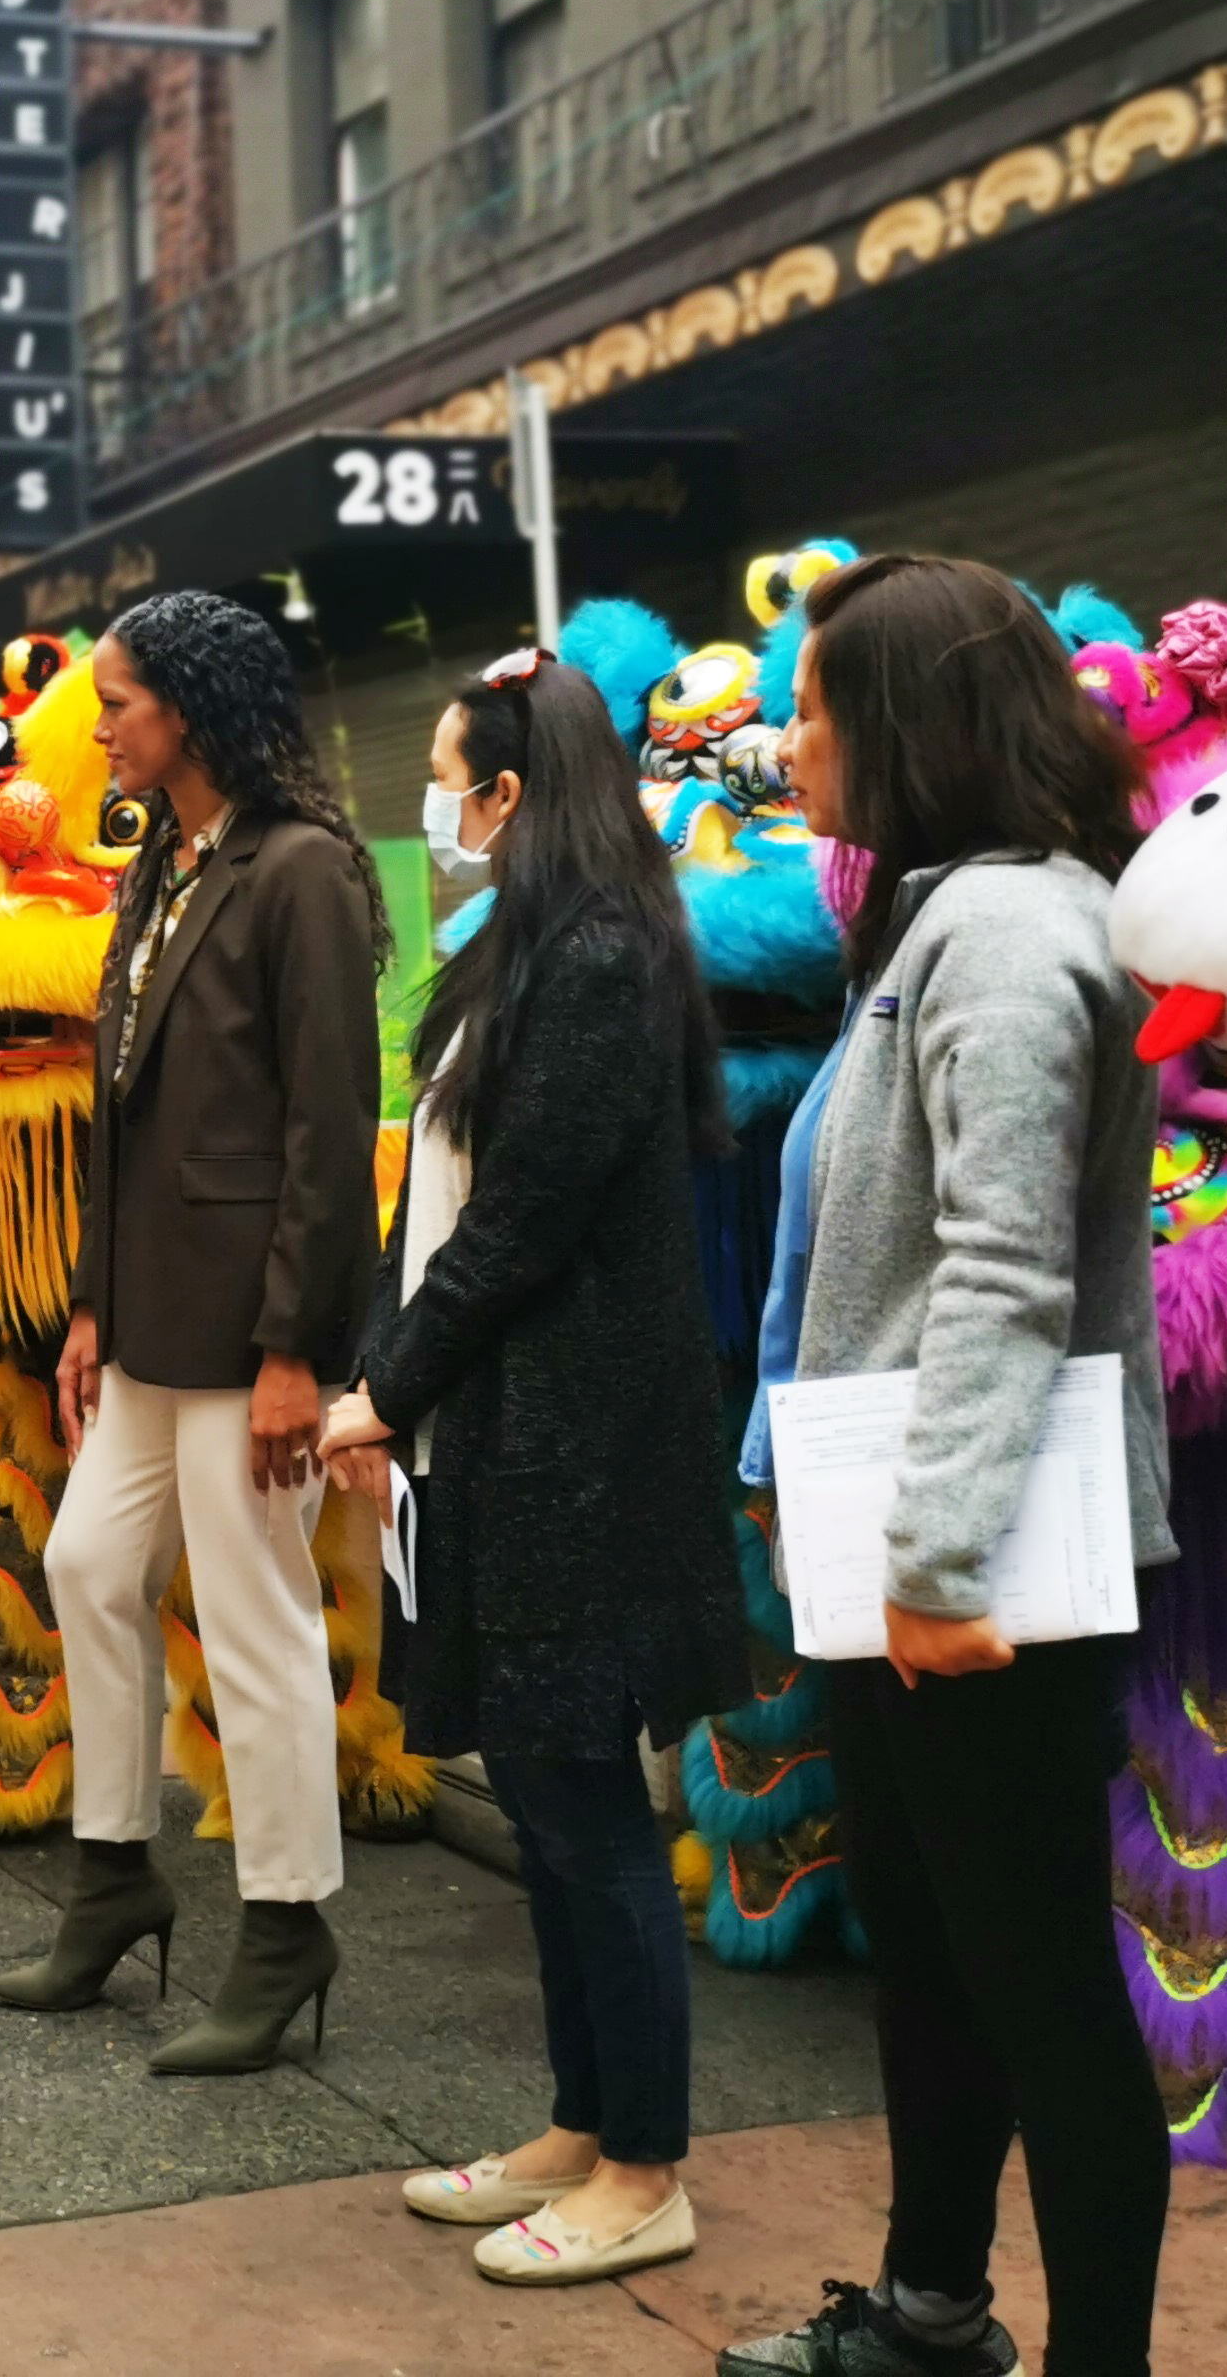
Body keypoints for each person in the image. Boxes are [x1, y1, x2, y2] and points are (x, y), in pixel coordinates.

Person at [718, 554, 1171, 2377]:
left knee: (1040, 1980)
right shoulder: (947, 912)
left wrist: (931, 1553)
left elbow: (1002, 1259)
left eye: (814, 708)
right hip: (898, 1539)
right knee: (930, 1946)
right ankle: (926, 2309)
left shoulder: (1004, 936)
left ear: (901, 726)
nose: (788, 734)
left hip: (971, 1564)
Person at [315, 648, 749, 2284]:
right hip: (497, 1439)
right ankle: (580, 2122)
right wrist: (388, 1383)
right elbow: (426, 1201)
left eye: (444, 772)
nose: (427, 803)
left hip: (577, 1450)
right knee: (553, 1802)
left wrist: (383, 1387)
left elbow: (519, 1225)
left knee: (586, 1808)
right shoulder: (518, 951)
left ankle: (644, 2166)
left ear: (507, 793)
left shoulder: (604, 955)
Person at [0, 588, 385, 2071]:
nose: (97, 727)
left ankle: (286, 1927)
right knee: (88, 1564)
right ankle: (114, 1882)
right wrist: (91, 1298)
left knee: (255, 1618)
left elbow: (329, 1127)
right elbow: (126, 1119)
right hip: (150, 1316)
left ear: (195, 709)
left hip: (249, 1334)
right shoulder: (161, 861)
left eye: (119, 701)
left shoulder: (305, 873)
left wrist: (299, 1350)